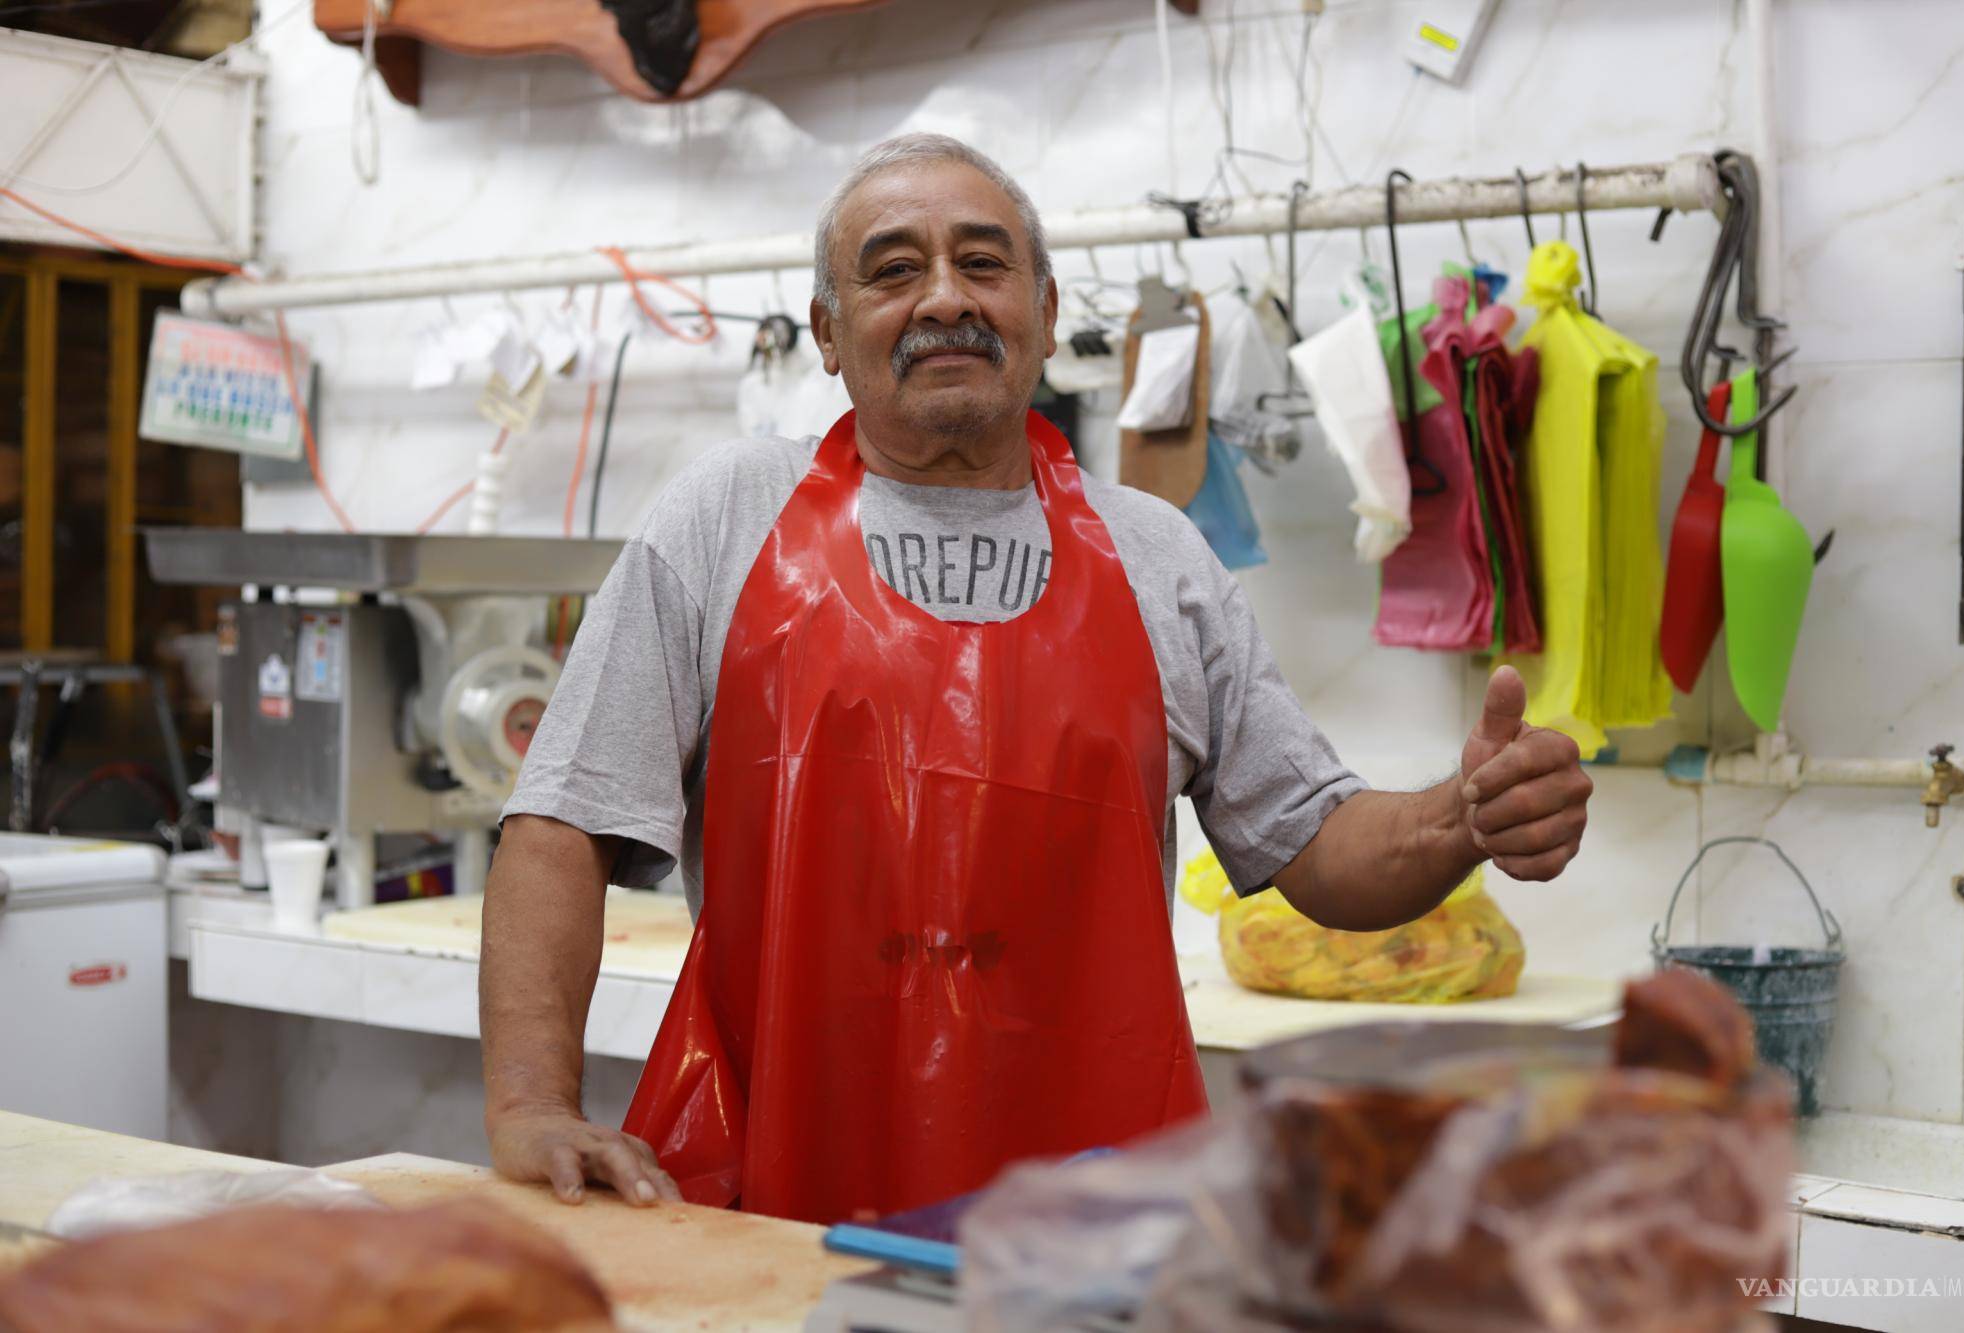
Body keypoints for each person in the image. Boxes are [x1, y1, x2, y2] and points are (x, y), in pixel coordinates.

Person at [479, 133, 1593, 1224]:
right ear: (826, 331)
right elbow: (561, 823)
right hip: (775, 1183)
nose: (944, 299)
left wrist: (1460, 816)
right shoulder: (724, 517)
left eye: (982, 261)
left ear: (1046, 315)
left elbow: (1313, 846)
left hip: (1086, 1216)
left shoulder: (1160, 558)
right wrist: (531, 1104)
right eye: (893, 270)